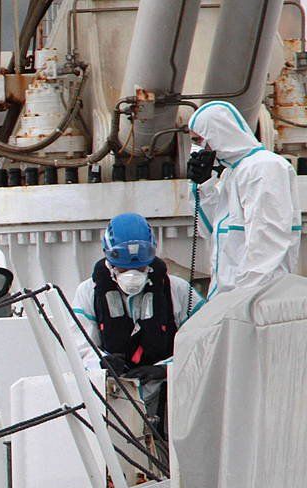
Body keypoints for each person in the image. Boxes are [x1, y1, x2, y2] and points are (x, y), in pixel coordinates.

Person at [71, 212, 201, 431]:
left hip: (171, 395)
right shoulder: (88, 293)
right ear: (109, 261)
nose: (131, 275)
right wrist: (102, 362)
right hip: (115, 398)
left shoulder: (177, 291)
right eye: (123, 269)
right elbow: (79, 346)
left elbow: (206, 341)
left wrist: (166, 369)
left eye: (139, 268)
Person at [187, 100, 301, 298]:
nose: (196, 149)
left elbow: (267, 240)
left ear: (218, 133)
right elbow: (208, 228)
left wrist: (243, 298)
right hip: (227, 298)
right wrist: (202, 185)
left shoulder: (264, 167)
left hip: (254, 299)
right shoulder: (232, 174)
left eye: (198, 141)